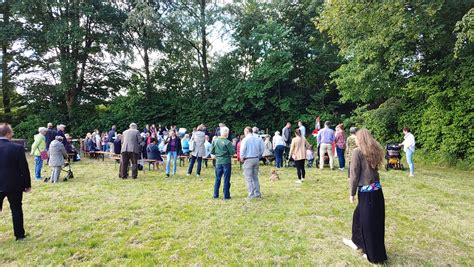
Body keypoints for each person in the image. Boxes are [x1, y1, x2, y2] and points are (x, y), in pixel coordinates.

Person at [343, 128, 387, 264]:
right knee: (360, 217)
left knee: (369, 224)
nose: (355, 139)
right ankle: (357, 242)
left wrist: (352, 193)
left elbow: (354, 174)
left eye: (356, 137)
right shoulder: (375, 149)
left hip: (367, 194)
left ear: (360, 138)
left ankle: (372, 254)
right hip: (377, 192)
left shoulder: (358, 152)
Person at [0, 123, 31, 241]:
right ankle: (19, 235)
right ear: (8, 134)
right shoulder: (17, 148)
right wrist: (27, 184)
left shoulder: (17, 147)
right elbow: (24, 168)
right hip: (14, 184)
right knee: (16, 209)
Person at [240, 127, 264, 198]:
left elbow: (243, 149)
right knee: (255, 177)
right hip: (256, 159)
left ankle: (251, 194)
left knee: (249, 178)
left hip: (248, 159)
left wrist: (242, 157)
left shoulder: (245, 139)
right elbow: (262, 149)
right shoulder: (258, 139)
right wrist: (258, 156)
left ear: (246, 131)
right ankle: (257, 193)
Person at [211, 127, 234, 199]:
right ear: (227, 133)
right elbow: (232, 152)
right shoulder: (228, 142)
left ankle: (215, 195)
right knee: (226, 179)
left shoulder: (215, 141)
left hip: (218, 161)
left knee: (217, 178)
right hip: (226, 161)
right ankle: (226, 196)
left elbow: (212, 151)